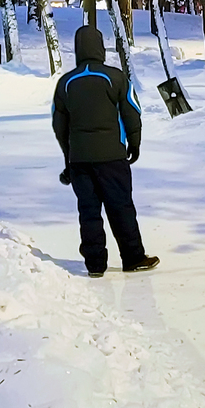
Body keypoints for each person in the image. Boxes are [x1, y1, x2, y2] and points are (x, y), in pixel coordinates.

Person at [51, 25, 157, 277]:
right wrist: (135, 142)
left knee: (88, 211)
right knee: (120, 206)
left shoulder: (65, 83)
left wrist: (68, 157)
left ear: (78, 49)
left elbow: (59, 125)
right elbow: (132, 111)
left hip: (80, 159)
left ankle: (95, 264)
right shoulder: (115, 77)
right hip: (112, 157)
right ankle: (133, 257)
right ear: (100, 47)